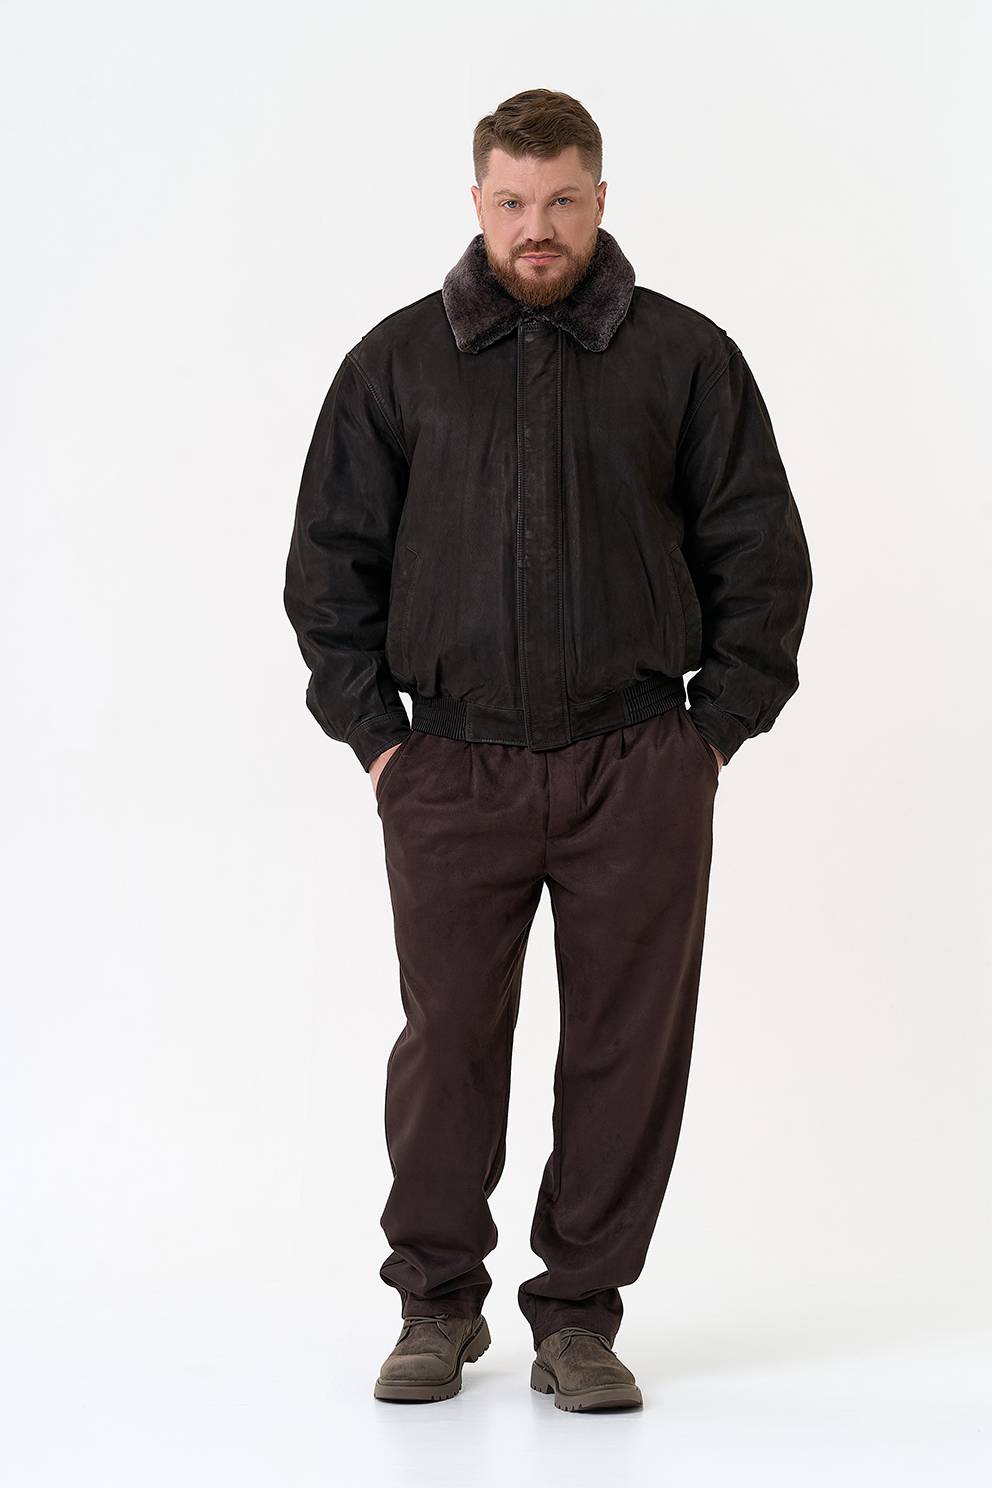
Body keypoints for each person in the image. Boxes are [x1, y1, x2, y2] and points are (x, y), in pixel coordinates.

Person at [285, 88, 812, 1412]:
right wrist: (382, 747)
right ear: (477, 203)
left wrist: (709, 738)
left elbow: (760, 555)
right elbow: (330, 567)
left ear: (601, 200)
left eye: (564, 200)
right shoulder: (397, 365)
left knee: (626, 1051)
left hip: (637, 761)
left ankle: (579, 1316)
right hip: (451, 768)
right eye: (515, 202)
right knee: (448, 1042)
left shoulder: (684, 357)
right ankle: (436, 1305)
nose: (539, 227)